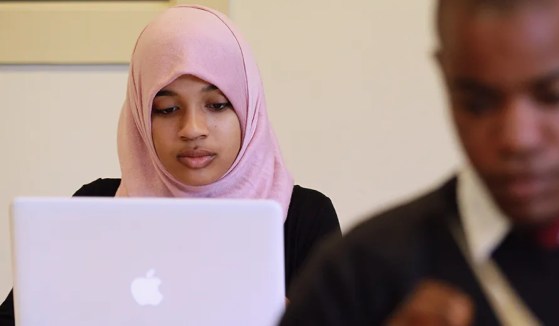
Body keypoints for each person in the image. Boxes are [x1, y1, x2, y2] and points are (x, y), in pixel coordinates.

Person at [280, 0, 559, 324]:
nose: (518, 138)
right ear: (446, 73)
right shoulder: (357, 275)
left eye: (553, 96)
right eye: (479, 103)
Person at [0, 5, 340, 324]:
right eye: (166, 109)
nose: (192, 129)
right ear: (139, 117)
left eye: (218, 104)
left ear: (249, 109)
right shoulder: (95, 207)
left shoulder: (304, 218)